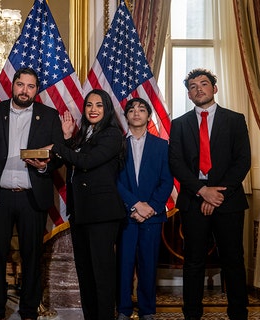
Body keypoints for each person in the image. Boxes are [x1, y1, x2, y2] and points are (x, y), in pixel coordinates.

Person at [0, 67, 64, 320]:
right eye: (21, 85)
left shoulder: (49, 115)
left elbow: (58, 154)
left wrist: (45, 165)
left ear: (37, 89)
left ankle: (28, 311)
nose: (25, 90)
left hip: (32, 197)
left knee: (32, 256)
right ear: (13, 85)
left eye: (30, 86)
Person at [168, 68, 251, 320]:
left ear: (214, 89)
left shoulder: (235, 120)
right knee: (193, 262)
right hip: (194, 200)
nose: (198, 89)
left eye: (204, 84)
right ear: (189, 94)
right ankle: (191, 315)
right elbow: (176, 163)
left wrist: (217, 195)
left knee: (233, 260)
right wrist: (203, 191)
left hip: (229, 201)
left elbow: (242, 161)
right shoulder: (179, 124)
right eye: (193, 86)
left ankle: (238, 314)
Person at [45, 89, 125, 320]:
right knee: (86, 273)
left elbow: (87, 161)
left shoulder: (112, 134)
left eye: (99, 105)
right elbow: (72, 161)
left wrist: (58, 146)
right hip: (80, 213)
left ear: (106, 109)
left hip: (102, 214)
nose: (93, 109)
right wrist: (68, 138)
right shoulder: (84, 134)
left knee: (102, 274)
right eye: (89, 105)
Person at [115, 98, 174, 320]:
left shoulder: (161, 146)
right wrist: (134, 205)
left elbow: (166, 180)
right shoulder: (117, 145)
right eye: (132, 110)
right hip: (126, 215)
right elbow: (115, 181)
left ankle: (147, 309)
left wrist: (151, 207)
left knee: (148, 264)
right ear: (126, 116)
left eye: (141, 110)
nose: (136, 113)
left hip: (152, 215)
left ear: (149, 116)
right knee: (124, 263)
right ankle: (123, 308)